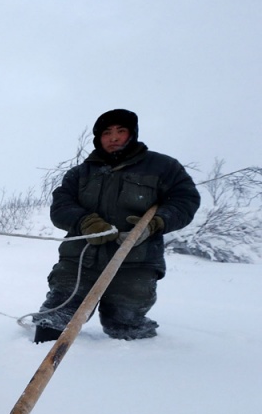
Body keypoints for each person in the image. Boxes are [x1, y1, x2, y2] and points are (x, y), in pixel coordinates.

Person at [32, 109, 201, 343]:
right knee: (51, 326)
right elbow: (60, 207)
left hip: (136, 262)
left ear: (132, 134)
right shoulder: (80, 173)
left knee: (124, 329)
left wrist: (156, 223)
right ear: (98, 138)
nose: (113, 138)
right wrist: (85, 222)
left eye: (121, 131)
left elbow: (185, 201)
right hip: (81, 260)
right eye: (107, 133)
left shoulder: (163, 167)